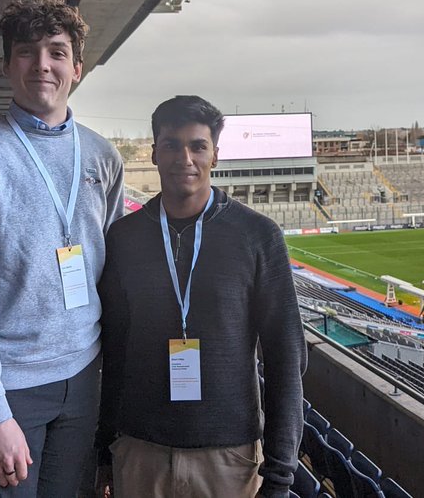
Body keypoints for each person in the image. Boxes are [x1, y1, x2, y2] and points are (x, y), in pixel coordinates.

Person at [0, 0, 124, 496]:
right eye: (27, 51)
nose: (42, 64)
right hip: (10, 385)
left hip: (84, 379)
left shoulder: (103, 156)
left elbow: (112, 273)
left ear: (77, 68)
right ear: (7, 65)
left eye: (57, 52)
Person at [96, 95, 306, 498]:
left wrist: (280, 474)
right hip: (140, 451)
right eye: (171, 145)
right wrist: (105, 449)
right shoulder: (124, 238)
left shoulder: (257, 236)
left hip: (228, 457)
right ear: (154, 153)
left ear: (215, 156)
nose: (185, 158)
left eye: (198, 146)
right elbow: (115, 351)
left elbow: (286, 357)